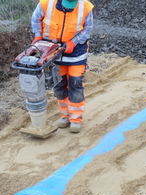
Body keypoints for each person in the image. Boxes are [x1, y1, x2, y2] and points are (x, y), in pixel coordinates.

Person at [31, 0, 94, 133]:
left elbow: (87, 29)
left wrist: (73, 42)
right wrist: (38, 37)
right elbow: (35, 18)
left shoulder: (85, 7)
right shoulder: (46, 3)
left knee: (75, 84)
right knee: (59, 85)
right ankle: (65, 116)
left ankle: (75, 119)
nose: (69, 8)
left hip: (76, 53)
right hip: (54, 52)